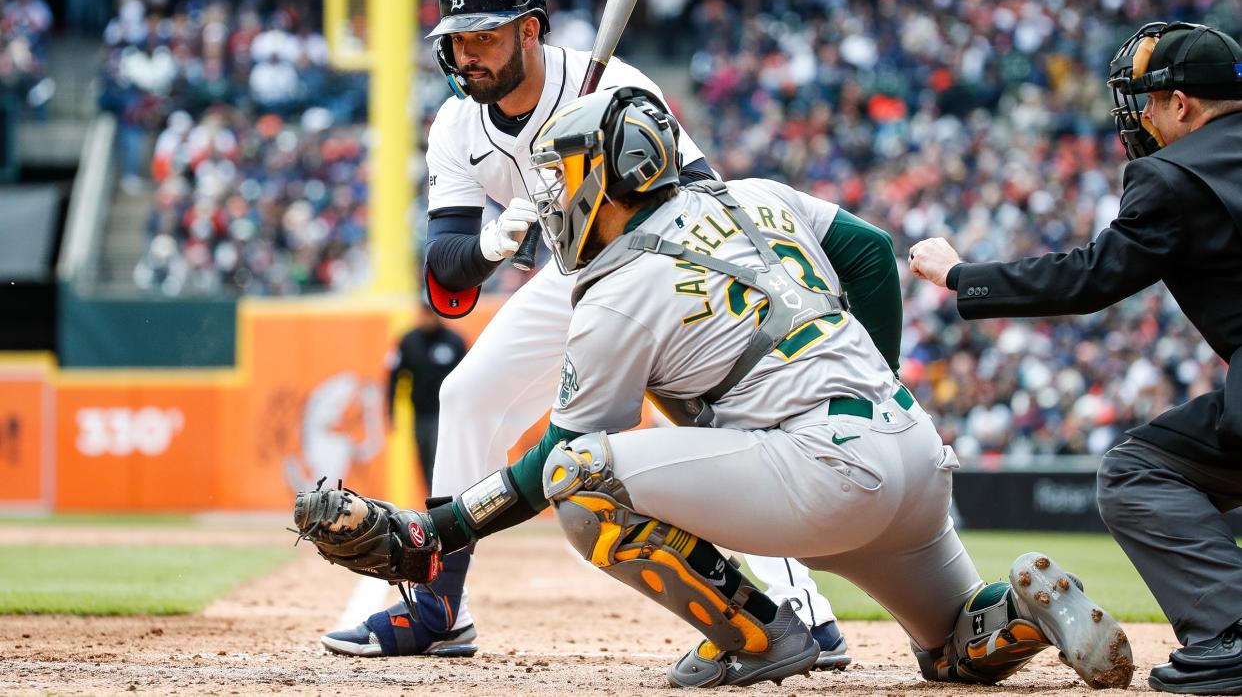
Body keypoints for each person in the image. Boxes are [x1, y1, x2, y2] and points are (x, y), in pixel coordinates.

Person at [296, 85, 1133, 689]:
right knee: (954, 650)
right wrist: (873, 371)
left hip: (819, 476)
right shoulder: (759, 196)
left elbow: (564, 452)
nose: (557, 188)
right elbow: (875, 253)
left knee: (579, 478)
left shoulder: (618, 287)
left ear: (608, 177)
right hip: (909, 451)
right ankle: (1019, 611)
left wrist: (437, 530)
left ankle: (757, 636)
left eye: (568, 169)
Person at [322, 0, 850, 669]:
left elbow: (700, 198)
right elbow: (446, 276)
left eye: (483, 38)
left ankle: (805, 612)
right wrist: (490, 243)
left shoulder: (619, 86)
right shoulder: (455, 124)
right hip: (570, 277)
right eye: (455, 39)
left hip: (662, 271)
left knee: (703, 426)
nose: (464, 54)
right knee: (467, 394)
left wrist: (589, 181)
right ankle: (439, 608)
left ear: (530, 32)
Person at [909, 20, 1242, 696]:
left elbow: (1091, 278)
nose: (1140, 117)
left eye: (1147, 101)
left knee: (1137, 471)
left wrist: (959, 275)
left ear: (1181, 104)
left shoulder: (1173, 174)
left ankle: (1231, 633)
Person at [386, 303, 468, 488]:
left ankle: (445, 501)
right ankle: (434, 500)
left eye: (431, 312)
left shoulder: (454, 341)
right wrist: (391, 411)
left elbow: (468, 378)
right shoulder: (408, 341)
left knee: (438, 456)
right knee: (424, 458)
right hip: (421, 412)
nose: (427, 316)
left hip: (447, 413)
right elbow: (394, 377)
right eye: (424, 312)